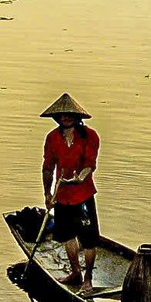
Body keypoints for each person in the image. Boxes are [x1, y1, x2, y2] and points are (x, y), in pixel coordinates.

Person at [39, 93, 100, 288]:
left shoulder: (90, 136)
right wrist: (47, 194)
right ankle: (76, 273)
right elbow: (48, 167)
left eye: (69, 114)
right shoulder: (52, 138)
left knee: (89, 239)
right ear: (57, 117)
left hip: (83, 195)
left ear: (76, 116)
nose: (65, 117)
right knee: (67, 235)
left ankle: (88, 279)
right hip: (62, 195)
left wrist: (79, 178)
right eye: (62, 115)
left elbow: (90, 164)